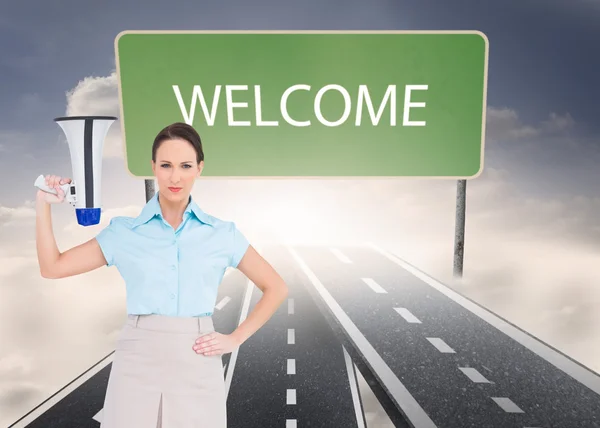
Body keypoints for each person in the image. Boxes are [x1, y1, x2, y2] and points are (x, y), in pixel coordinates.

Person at [35, 122, 289, 427]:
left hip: (198, 359)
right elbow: (53, 267)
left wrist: (236, 338)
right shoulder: (124, 233)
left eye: (185, 165)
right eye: (166, 165)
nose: (175, 176)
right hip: (137, 359)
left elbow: (275, 287)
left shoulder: (223, 234)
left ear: (199, 168)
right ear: (153, 167)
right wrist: (43, 204)